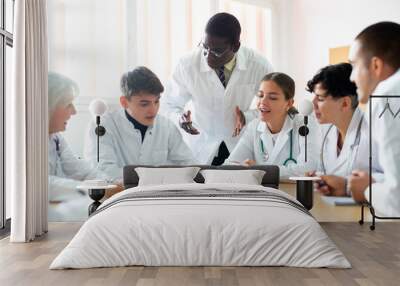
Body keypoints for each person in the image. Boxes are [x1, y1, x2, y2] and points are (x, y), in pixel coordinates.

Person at [161, 12, 274, 165]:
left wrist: (247, 117)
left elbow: (274, 105)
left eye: (216, 51)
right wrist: (179, 119)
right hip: (201, 147)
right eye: (205, 47)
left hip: (239, 146)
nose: (208, 56)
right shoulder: (187, 64)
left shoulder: (258, 65)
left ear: (236, 46)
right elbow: (169, 104)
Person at [84, 67, 196, 180]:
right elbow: (102, 170)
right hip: (119, 195)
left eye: (156, 101)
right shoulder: (102, 126)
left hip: (158, 194)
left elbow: (189, 165)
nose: (153, 110)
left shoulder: (167, 127)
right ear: (124, 102)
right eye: (144, 104)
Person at [48, 72, 120, 220]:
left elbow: (79, 168)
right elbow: (42, 184)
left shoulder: (55, 138)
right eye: (68, 105)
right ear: (48, 106)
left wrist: (110, 184)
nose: (74, 111)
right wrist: (98, 190)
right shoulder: (25, 141)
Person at [347, 21, 400, 216]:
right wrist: (375, 182)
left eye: (354, 65)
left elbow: (397, 201)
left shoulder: (386, 95)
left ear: (376, 65)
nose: (352, 77)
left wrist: (366, 191)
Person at [225, 72, 320, 179]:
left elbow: (307, 169)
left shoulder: (305, 126)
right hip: (262, 194)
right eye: (260, 95)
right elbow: (230, 164)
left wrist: (260, 170)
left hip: (295, 193)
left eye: (272, 98)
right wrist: (245, 168)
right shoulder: (254, 127)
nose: (263, 102)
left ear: (289, 103)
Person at [306, 63, 382, 196]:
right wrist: (320, 178)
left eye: (320, 98)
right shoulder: (326, 131)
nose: (313, 104)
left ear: (345, 103)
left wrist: (348, 184)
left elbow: (393, 180)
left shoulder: (375, 133)